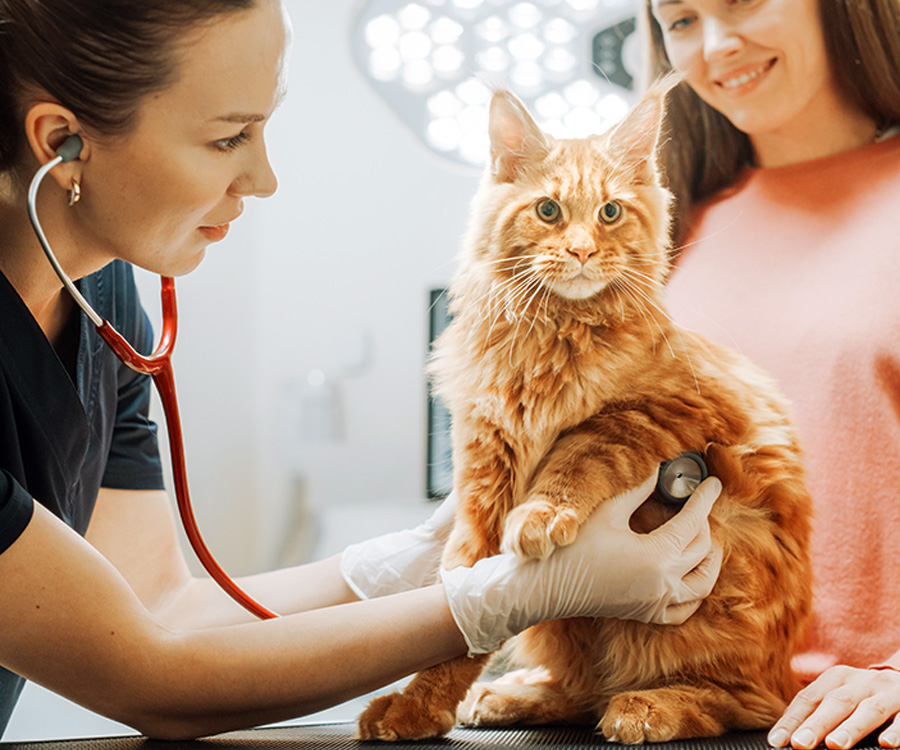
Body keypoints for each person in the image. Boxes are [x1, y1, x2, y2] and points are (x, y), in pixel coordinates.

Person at [0, 0, 725, 740]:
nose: (265, 178)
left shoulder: (105, 298)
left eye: (264, 128)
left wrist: (402, 562)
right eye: (228, 138)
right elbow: (145, 675)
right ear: (62, 142)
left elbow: (160, 609)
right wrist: (498, 599)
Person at [642, 0, 900, 748]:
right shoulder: (670, 231)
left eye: (742, 1)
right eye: (682, 20)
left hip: (861, 726)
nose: (718, 45)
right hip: (691, 717)